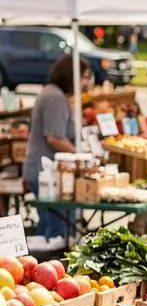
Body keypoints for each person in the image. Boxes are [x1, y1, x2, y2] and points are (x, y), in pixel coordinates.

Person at [24, 55, 93, 249]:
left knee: (48, 227)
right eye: (84, 76)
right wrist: (82, 157)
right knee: (56, 231)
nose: (86, 81)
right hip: (46, 171)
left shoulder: (53, 94)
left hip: (45, 169)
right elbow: (54, 137)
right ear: (72, 75)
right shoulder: (54, 97)